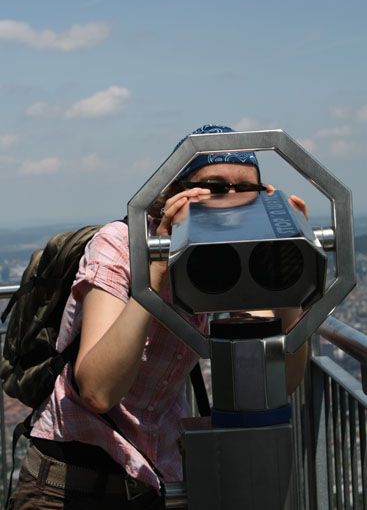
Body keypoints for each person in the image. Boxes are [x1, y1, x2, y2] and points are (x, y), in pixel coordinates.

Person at [8, 125, 308, 509]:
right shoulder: (121, 245)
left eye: (245, 190)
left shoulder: (226, 258)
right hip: (71, 483)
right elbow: (98, 392)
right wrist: (155, 274)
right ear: (174, 194)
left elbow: (282, 381)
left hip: (154, 479)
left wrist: (283, 269)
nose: (230, 201)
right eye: (213, 188)